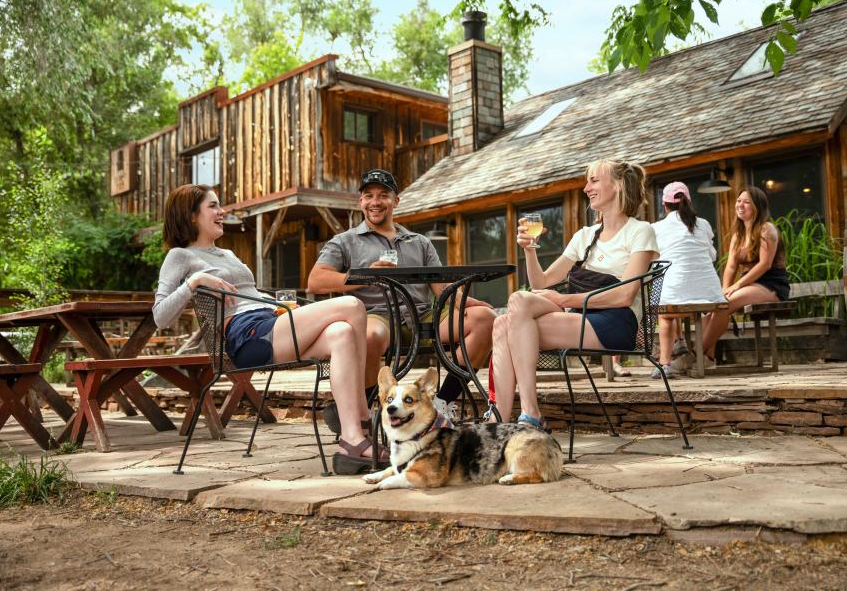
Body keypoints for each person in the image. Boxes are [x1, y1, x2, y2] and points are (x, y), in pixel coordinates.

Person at [152, 184, 383, 475]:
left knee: (342, 333)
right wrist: (194, 281)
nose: (222, 211)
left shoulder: (228, 255)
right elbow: (160, 316)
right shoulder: (180, 257)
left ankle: (351, 443)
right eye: (213, 206)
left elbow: (251, 293)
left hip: (271, 321)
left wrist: (283, 305)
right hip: (247, 336)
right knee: (351, 305)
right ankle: (364, 421)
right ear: (191, 215)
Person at [307, 169, 496, 423]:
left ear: (395, 201)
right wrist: (363, 277)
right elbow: (315, 281)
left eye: (383, 195)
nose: (376, 202)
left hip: (422, 314)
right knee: (368, 334)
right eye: (369, 195)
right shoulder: (344, 241)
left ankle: (441, 402)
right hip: (377, 315)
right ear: (361, 202)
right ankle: (365, 411)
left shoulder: (419, 242)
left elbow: (441, 287)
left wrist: (466, 301)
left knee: (485, 318)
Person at [490, 159, 659, 428]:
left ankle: (529, 415)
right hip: (578, 318)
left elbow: (625, 296)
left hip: (616, 322)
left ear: (617, 185)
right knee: (504, 320)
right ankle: (500, 418)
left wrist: (563, 300)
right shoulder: (585, 236)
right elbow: (542, 281)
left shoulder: (640, 231)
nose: (586, 188)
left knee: (511, 314)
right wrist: (530, 250)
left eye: (594, 180)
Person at [700, 186, 790, 362]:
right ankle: (708, 359)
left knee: (723, 305)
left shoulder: (766, 229)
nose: (741, 205)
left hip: (770, 284)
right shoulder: (738, 235)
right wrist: (724, 289)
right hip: (750, 284)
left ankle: (695, 354)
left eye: (747, 202)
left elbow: (765, 265)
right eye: (739, 201)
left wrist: (737, 286)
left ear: (758, 206)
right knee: (711, 307)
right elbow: (731, 267)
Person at [650, 181, 725, 378]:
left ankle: (665, 363)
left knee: (665, 314)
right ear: (688, 201)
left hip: (677, 291)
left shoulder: (656, 227)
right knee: (707, 308)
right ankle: (703, 356)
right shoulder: (704, 224)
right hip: (709, 292)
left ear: (664, 206)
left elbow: (654, 261)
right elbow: (712, 256)